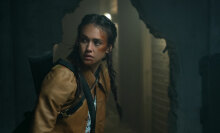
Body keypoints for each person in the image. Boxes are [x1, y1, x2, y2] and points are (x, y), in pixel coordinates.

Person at [30, 14, 121, 133]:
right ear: (78, 42)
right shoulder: (62, 77)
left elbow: (98, 121)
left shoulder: (103, 75)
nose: (89, 48)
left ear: (109, 48)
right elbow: (40, 129)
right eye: (84, 40)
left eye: (96, 42)